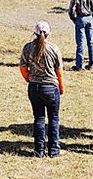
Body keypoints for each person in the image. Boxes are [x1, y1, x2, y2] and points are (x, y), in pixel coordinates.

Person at [19, 21, 64, 158]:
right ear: (48, 33)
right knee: (54, 119)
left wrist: (29, 79)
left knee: (39, 118)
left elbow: (22, 67)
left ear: (34, 33)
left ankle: (39, 150)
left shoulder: (27, 48)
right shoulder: (54, 49)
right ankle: (54, 150)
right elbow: (59, 71)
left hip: (34, 87)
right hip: (51, 87)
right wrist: (60, 87)